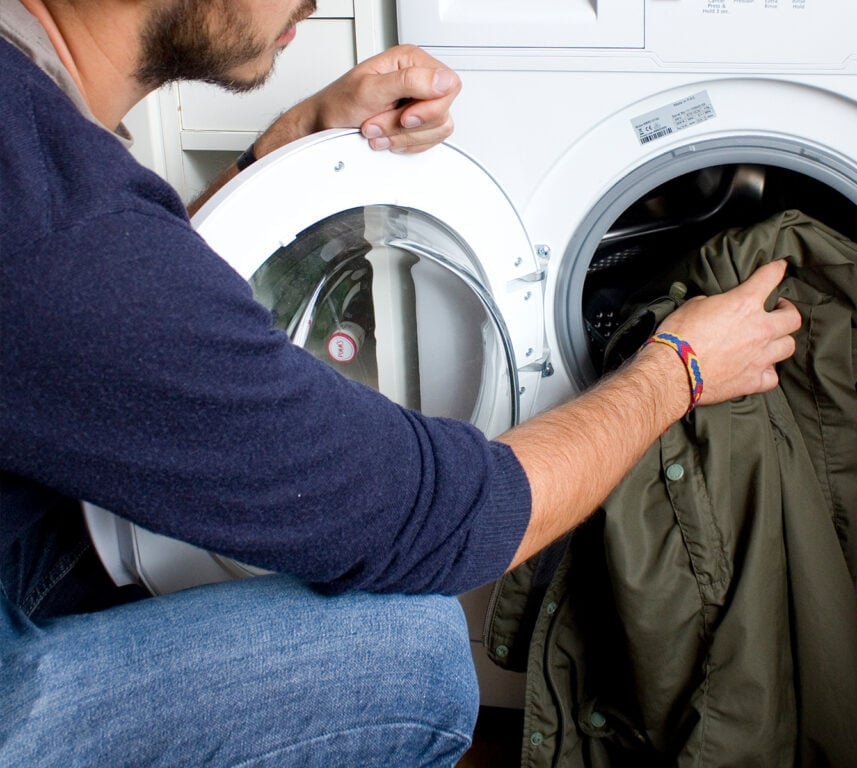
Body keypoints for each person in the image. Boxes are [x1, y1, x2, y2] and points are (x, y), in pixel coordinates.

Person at [0, 0, 802, 765]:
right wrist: (677, 371)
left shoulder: (34, 124)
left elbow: (111, 334)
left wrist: (289, 144)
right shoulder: (53, 219)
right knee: (409, 659)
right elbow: (441, 520)